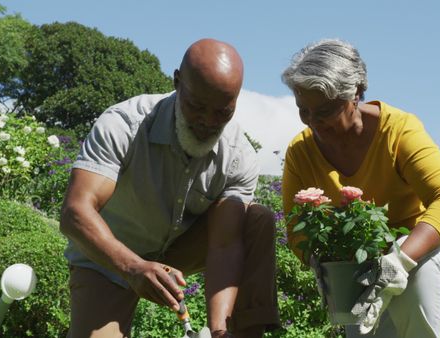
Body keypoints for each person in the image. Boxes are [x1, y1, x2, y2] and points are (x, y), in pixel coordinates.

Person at [60, 38, 279, 338]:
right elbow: (76, 211)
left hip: (178, 248)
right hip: (108, 259)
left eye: (222, 112)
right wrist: (134, 267)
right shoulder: (124, 124)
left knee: (257, 220)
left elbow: (225, 245)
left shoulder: (238, 154)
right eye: (197, 106)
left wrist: (218, 329)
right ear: (177, 82)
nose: (207, 121)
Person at [280, 39, 440, 337]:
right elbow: (297, 229)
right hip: (373, 271)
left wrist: (400, 260)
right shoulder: (301, 152)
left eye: (326, 110)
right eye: (304, 111)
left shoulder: (398, 130)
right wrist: (322, 264)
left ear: (355, 93)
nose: (314, 123)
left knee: (418, 272)